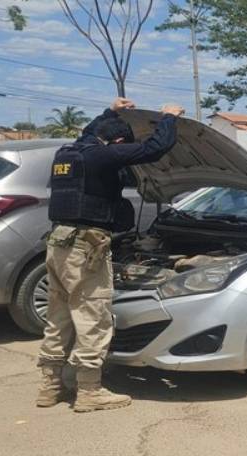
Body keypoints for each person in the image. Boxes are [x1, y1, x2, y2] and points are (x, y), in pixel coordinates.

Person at [36, 97, 184, 412]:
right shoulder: (103, 155)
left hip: (57, 244)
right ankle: (90, 392)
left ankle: (50, 388)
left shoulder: (69, 153)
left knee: (59, 317)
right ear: (117, 141)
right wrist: (169, 118)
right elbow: (154, 149)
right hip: (86, 246)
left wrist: (111, 112)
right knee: (93, 317)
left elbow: (90, 132)